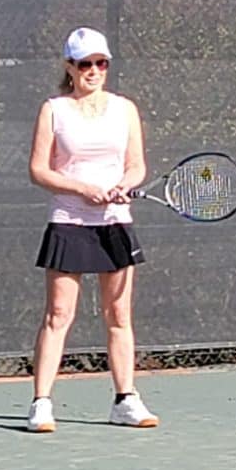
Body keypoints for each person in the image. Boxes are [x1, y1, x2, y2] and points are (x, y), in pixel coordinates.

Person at [26, 27, 157, 431]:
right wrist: (81, 189)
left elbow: (136, 165)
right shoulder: (54, 110)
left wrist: (124, 185)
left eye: (102, 63)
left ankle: (125, 400)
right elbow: (39, 170)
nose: (95, 71)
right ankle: (41, 403)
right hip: (69, 222)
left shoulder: (124, 109)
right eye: (86, 64)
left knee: (118, 313)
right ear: (70, 66)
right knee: (58, 314)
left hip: (114, 224)